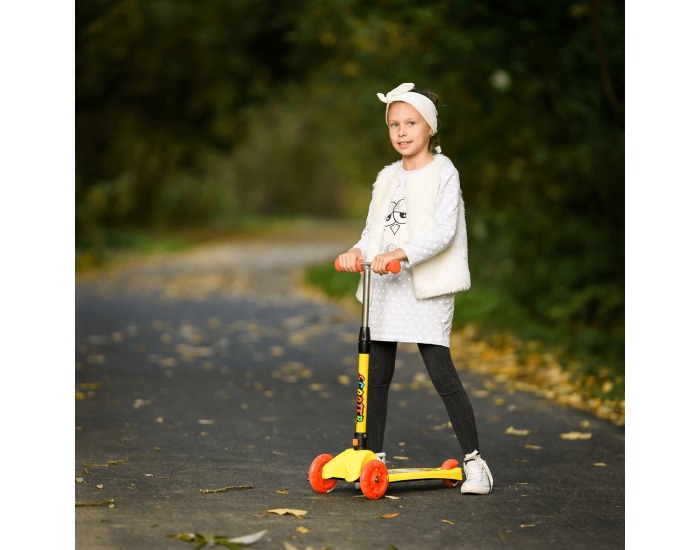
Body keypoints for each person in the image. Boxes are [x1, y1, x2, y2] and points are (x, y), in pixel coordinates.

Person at [336, 82, 493, 495]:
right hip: (385, 286)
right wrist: (356, 251)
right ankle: (375, 457)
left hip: (424, 284)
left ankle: (475, 462)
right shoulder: (387, 176)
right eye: (394, 124)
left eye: (410, 123)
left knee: (441, 372)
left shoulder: (444, 172)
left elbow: (443, 232)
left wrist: (401, 253)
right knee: (378, 375)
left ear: (430, 128)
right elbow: (373, 230)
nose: (401, 131)